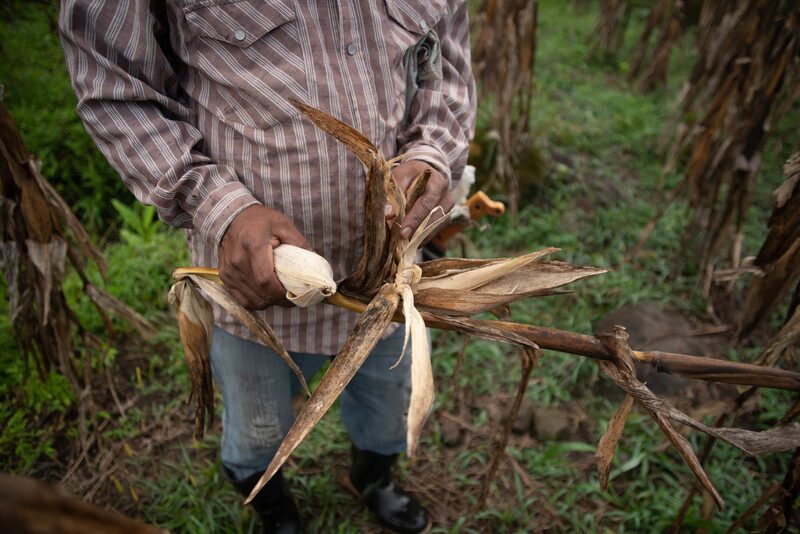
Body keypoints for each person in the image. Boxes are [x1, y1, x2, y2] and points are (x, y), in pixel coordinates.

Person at [60, 1, 476, 532]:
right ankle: (272, 504)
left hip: (390, 284)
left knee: (389, 411)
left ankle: (373, 477)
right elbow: (116, 87)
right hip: (252, 294)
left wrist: (433, 152)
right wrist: (222, 208)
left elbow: (448, 73)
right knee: (258, 431)